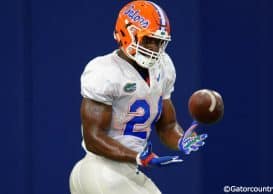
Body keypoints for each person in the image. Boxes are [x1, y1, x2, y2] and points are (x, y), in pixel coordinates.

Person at [69, 1, 208, 194]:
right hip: (100, 169)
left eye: (158, 41)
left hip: (128, 171)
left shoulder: (164, 67)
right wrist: (138, 156)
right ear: (127, 33)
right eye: (147, 39)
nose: (154, 47)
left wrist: (181, 140)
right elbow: (93, 138)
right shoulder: (104, 71)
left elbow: (167, 126)